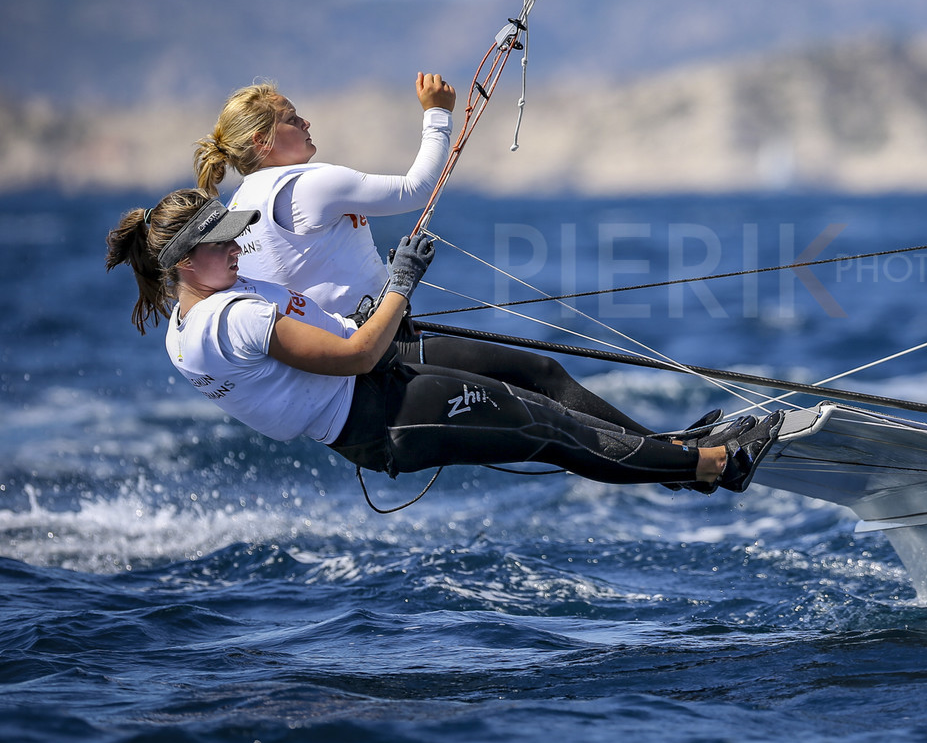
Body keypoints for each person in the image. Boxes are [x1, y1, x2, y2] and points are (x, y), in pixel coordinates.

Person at [105, 189, 781, 493]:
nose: (238, 243)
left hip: (382, 374)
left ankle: (669, 457)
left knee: (543, 374)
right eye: (222, 239)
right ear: (186, 263)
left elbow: (311, 300)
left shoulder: (196, 311)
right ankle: (714, 468)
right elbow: (356, 355)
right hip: (378, 416)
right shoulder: (232, 320)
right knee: (550, 428)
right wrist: (401, 283)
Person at [192, 75, 678, 442]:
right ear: (263, 142)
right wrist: (438, 113)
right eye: (293, 118)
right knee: (542, 380)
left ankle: (668, 450)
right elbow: (415, 188)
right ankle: (670, 451)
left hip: (356, 366)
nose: (306, 122)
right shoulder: (309, 183)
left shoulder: (239, 207)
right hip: (381, 350)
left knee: (537, 395)